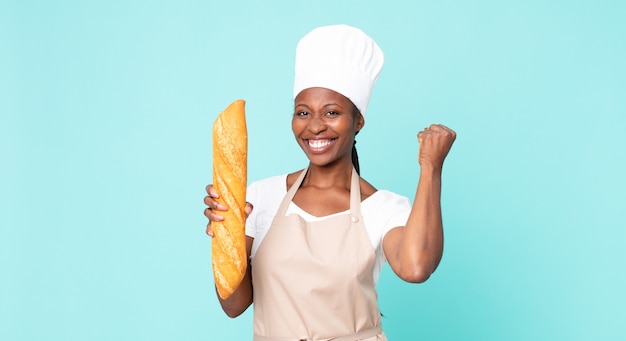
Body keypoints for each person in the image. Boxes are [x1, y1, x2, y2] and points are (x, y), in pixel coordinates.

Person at [204, 24, 456, 341]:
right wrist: (226, 237)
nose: (315, 127)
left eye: (332, 112)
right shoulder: (259, 197)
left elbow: (416, 268)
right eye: (303, 112)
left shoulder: (382, 208)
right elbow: (234, 305)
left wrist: (431, 167)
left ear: (358, 120)